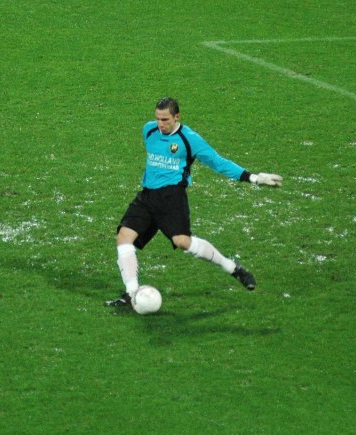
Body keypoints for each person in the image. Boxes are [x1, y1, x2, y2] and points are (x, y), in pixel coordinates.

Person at [106, 97, 282, 307]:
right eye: (157, 119)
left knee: (182, 242)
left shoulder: (190, 140)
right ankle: (131, 294)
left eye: (165, 120)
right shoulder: (149, 131)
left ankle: (233, 268)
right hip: (147, 196)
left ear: (177, 117)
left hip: (172, 197)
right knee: (124, 236)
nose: (160, 124)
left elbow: (217, 162)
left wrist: (252, 177)